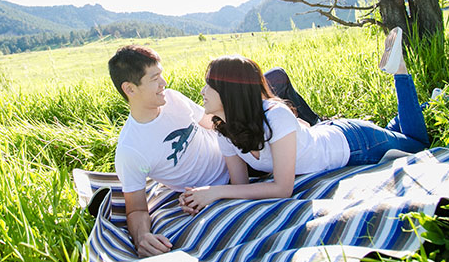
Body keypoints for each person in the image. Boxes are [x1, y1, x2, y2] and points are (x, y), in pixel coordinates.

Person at [179, 28, 430, 214]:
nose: (202, 91)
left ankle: (400, 72)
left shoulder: (275, 115)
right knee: (396, 135)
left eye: (209, 84)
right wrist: (201, 199)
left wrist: (217, 192)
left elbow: (282, 189)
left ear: (230, 92)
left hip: (354, 143)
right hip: (329, 132)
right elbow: (240, 186)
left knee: (418, 143)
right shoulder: (224, 129)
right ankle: (422, 107)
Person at [108, 44, 317, 257]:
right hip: (234, 176)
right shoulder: (131, 150)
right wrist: (142, 236)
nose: (164, 83)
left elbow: (214, 121)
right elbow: (136, 208)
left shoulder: (172, 99)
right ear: (130, 89)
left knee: (271, 79)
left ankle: (314, 122)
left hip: (240, 147)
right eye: (154, 79)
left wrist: (278, 122)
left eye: (161, 75)